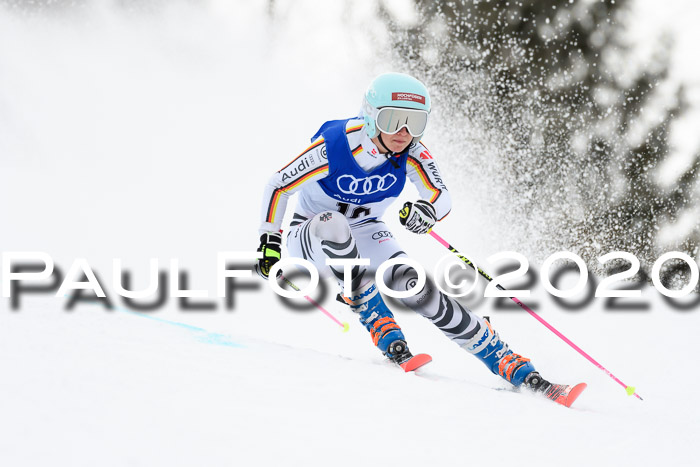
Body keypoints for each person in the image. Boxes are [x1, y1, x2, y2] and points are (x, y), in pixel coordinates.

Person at [255, 72, 557, 396]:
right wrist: (269, 240)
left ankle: (505, 359)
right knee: (334, 224)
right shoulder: (336, 145)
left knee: (414, 285)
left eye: (415, 122)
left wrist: (427, 210)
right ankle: (373, 314)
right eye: (394, 119)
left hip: (367, 229)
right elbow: (279, 184)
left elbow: (441, 195)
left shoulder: (412, 151)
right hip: (311, 235)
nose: (404, 132)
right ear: (371, 118)